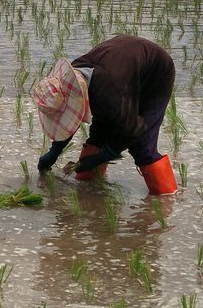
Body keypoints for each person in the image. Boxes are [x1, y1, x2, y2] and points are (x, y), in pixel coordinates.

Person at [33, 35, 177, 195]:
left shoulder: (110, 93)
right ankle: (90, 191)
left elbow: (132, 130)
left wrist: (100, 158)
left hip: (156, 73)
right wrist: (55, 150)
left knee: (142, 146)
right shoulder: (70, 79)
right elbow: (70, 117)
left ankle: (166, 199)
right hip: (119, 73)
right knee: (99, 134)